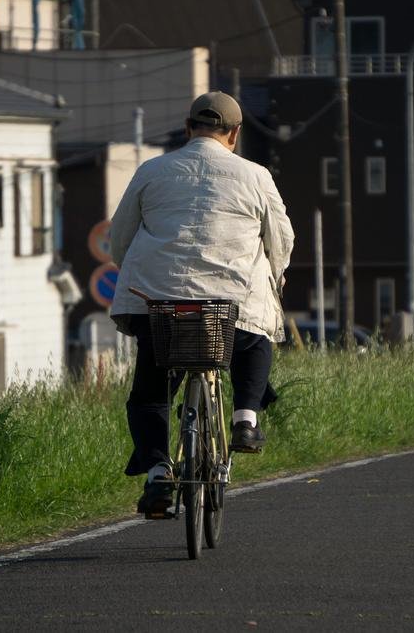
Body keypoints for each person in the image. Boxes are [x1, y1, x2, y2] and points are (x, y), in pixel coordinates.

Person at [109, 91, 294, 517]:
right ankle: (245, 419)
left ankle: (158, 472)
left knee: (150, 392)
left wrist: (137, 271)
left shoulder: (151, 170)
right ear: (235, 134)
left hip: (160, 306)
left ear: (188, 128)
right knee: (254, 338)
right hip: (231, 306)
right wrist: (276, 276)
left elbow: (120, 237)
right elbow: (281, 240)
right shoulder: (256, 175)